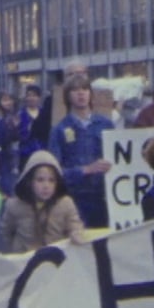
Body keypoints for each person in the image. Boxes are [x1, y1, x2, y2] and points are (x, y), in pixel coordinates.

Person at [48, 74, 113, 228]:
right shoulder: (59, 129)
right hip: (74, 197)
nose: (81, 93)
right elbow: (54, 170)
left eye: (84, 89)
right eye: (75, 90)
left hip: (103, 195)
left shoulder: (106, 124)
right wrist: (84, 170)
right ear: (67, 96)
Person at [0, 150, 83, 253]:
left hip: (56, 261)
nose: (46, 186)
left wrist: (75, 233)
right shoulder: (14, 205)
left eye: (51, 180)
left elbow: (74, 224)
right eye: (40, 180)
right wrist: (16, 251)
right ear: (29, 181)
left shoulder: (66, 203)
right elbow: (7, 233)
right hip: (24, 262)